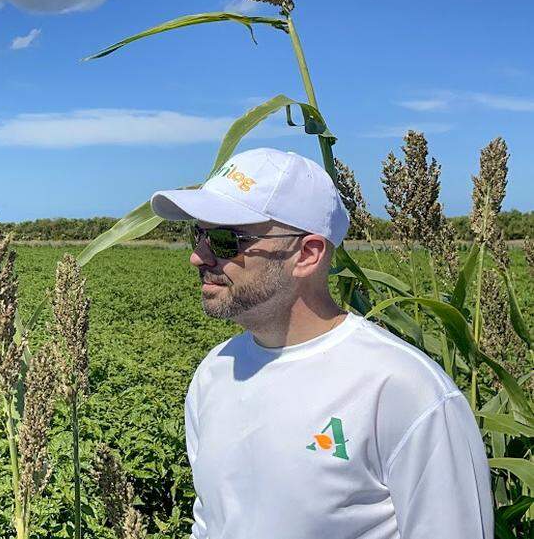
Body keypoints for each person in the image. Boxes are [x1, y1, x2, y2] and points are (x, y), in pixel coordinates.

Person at [148, 148, 492, 539]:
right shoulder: (214, 373)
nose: (198, 257)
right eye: (199, 234)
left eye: (227, 240)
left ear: (307, 254)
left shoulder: (402, 388)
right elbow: (211, 524)